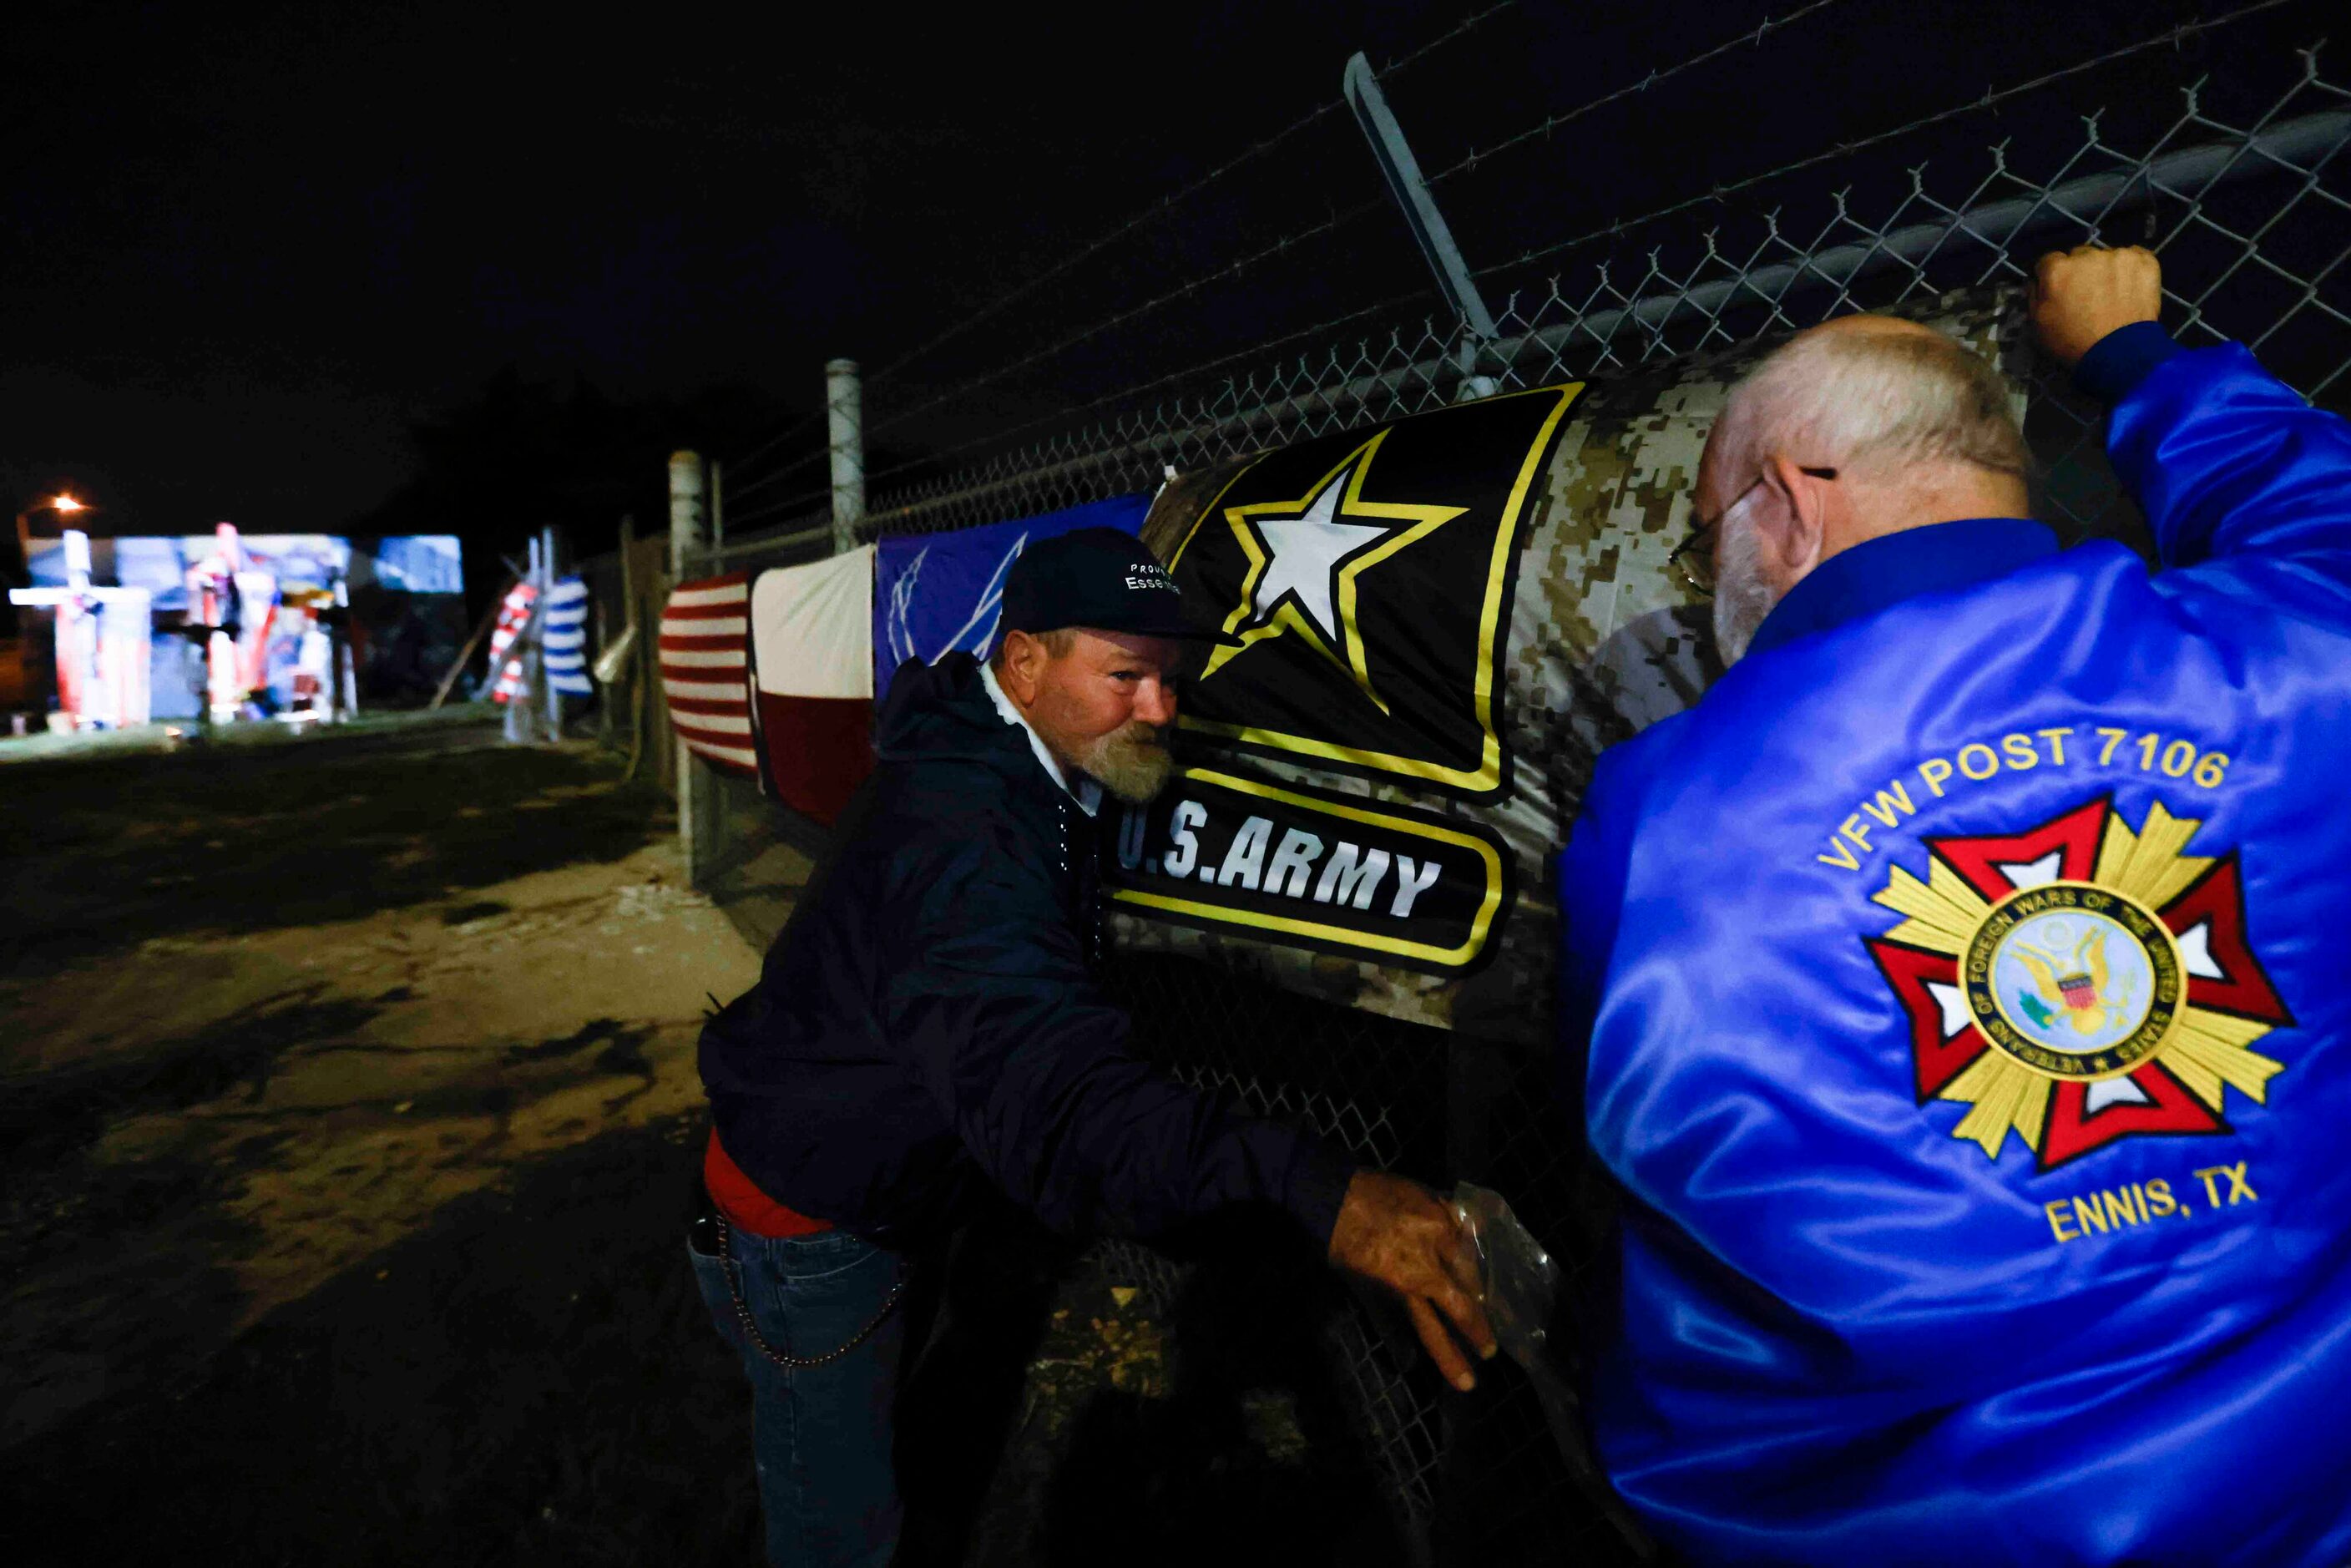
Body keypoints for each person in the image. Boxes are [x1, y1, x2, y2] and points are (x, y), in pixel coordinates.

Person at [1558, 246, 2351, 1566]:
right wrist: (2136, 360)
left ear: (1791, 499)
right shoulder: (2293, 649)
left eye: (1711, 537)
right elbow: (2323, 504)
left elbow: (1672, 1194)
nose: (1713, 588)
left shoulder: (1657, 822)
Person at [693, 526, 1494, 1568]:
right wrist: (1323, 1192)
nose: (1160, 711)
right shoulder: (964, 836)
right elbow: (1058, 1103)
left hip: (870, 1187)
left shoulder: (1008, 761)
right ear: (1023, 661)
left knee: (887, 1449)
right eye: (1125, 675)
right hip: (810, 1224)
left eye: (1169, 679)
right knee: (839, 1532)